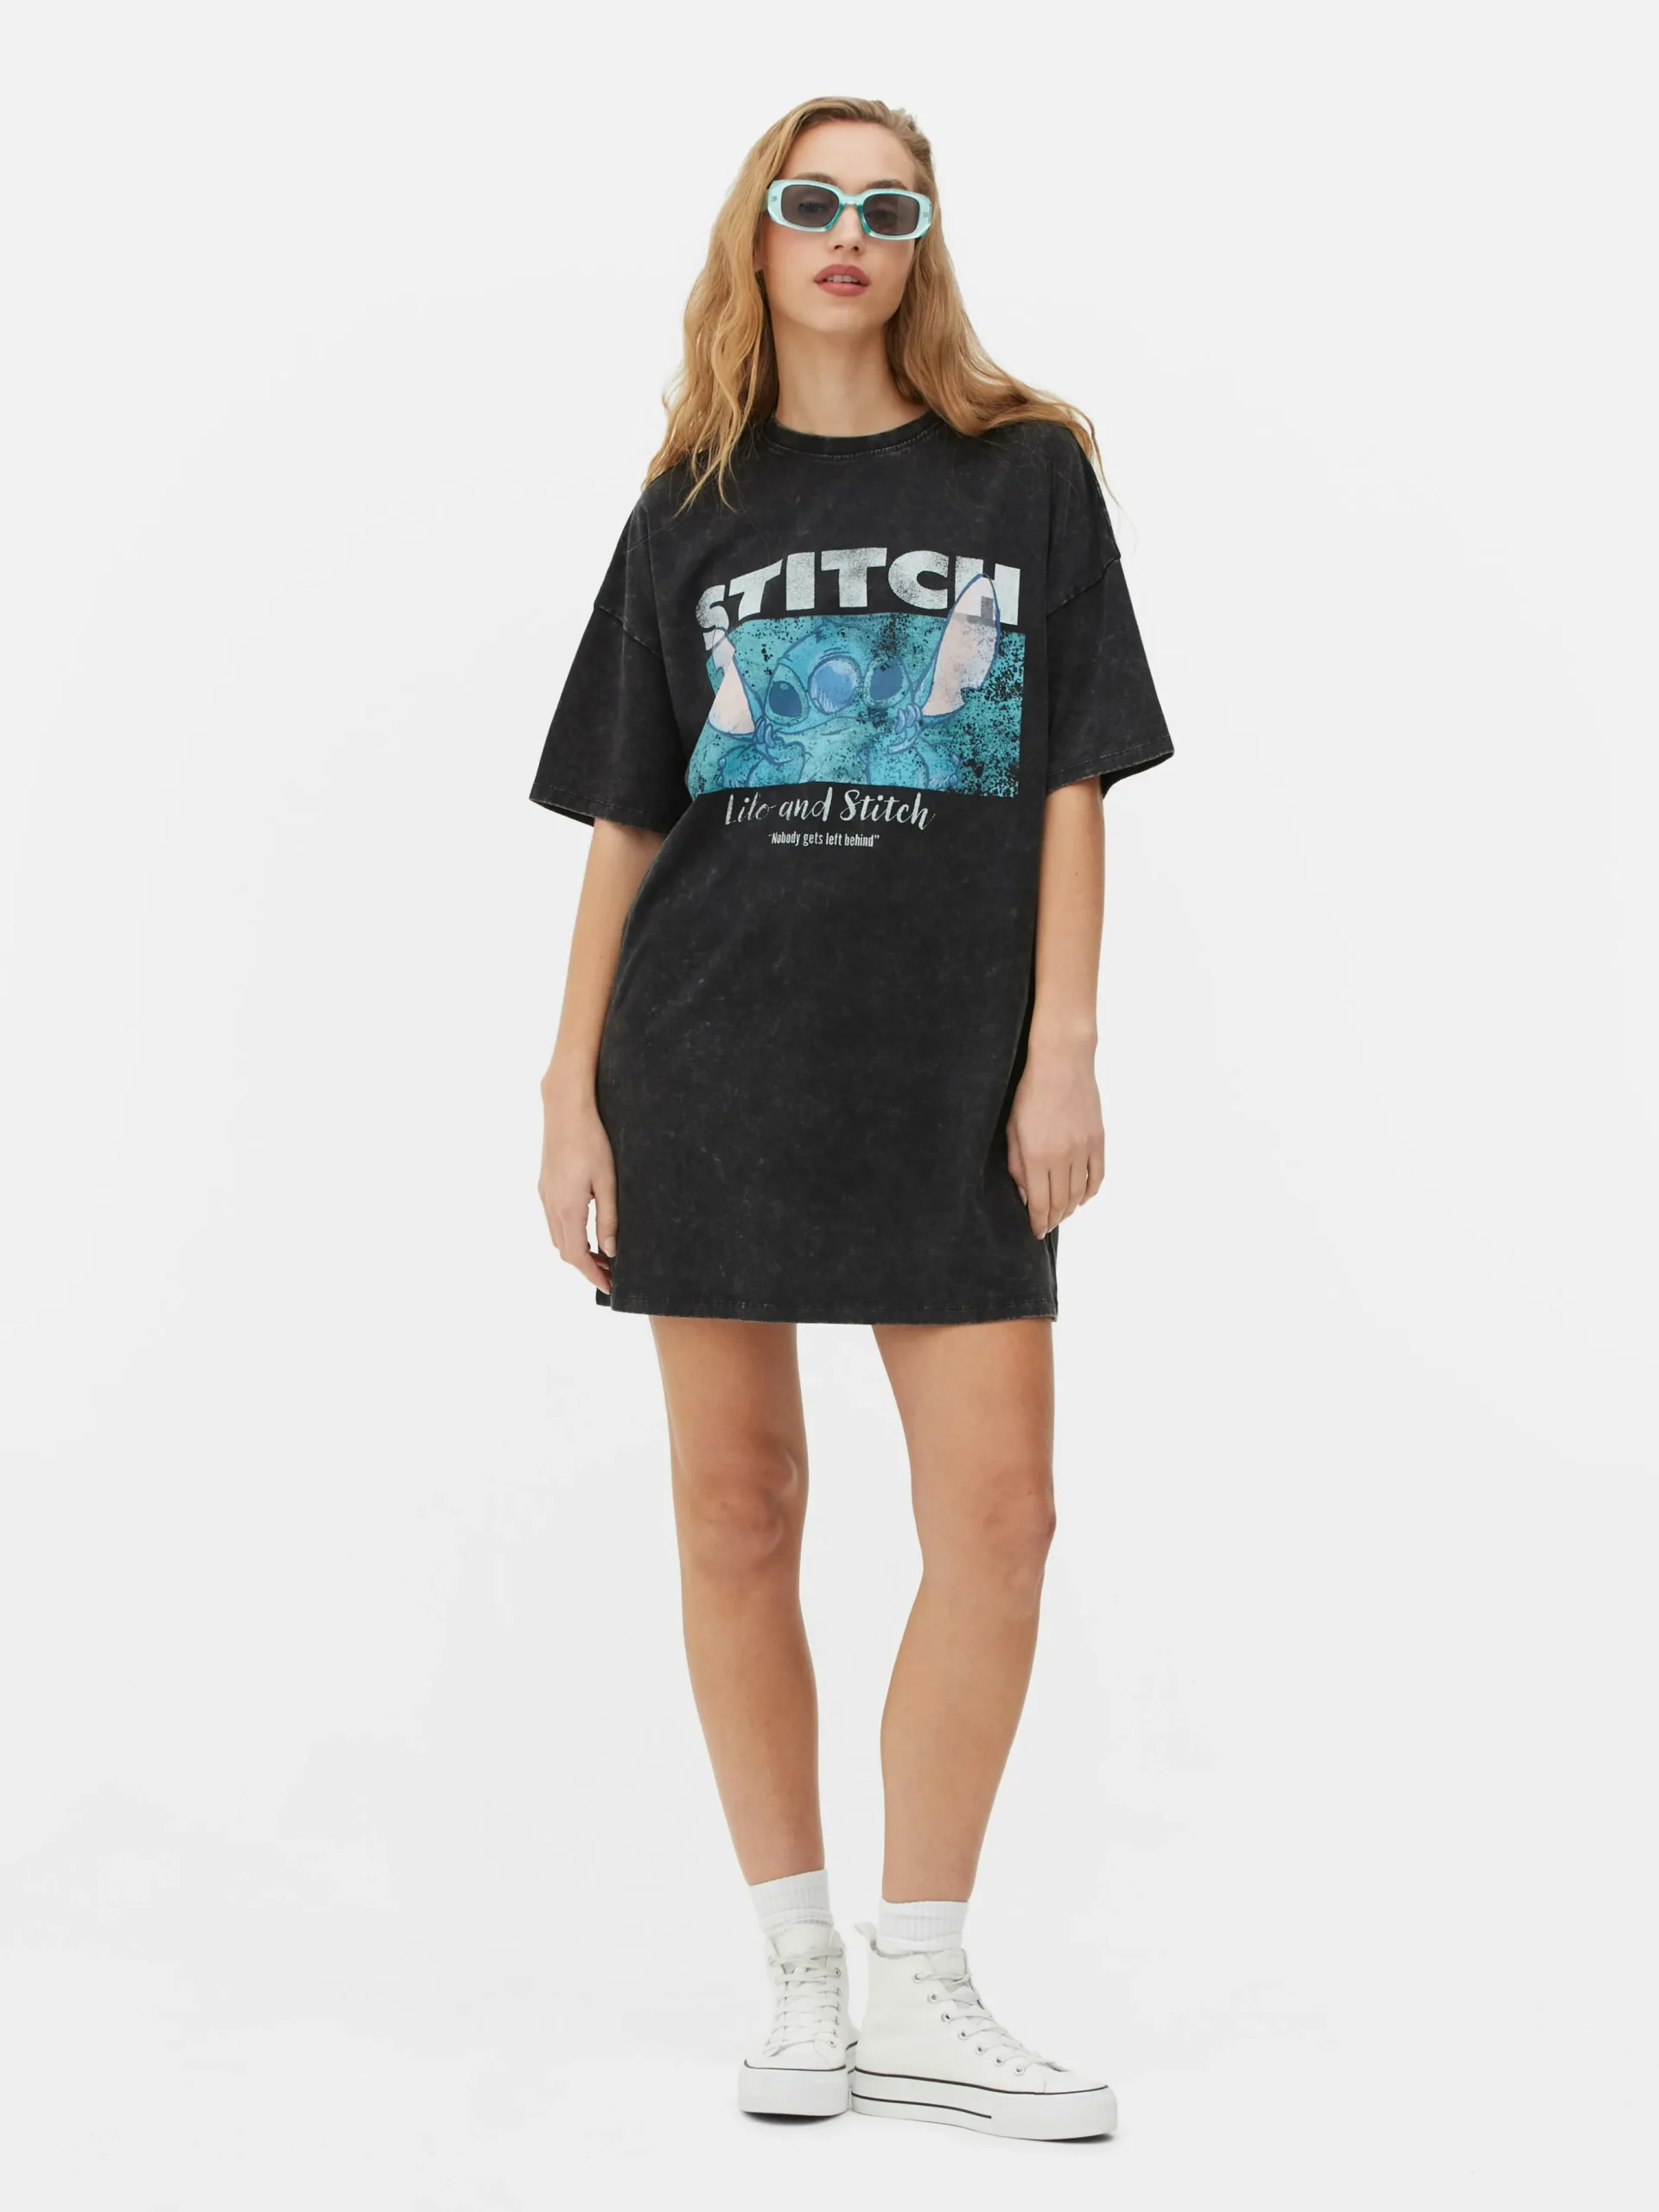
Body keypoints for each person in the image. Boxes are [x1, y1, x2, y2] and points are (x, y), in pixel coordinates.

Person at [531, 95, 1173, 2143]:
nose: (849, 232)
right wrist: (567, 1087)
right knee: (741, 1506)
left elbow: (1070, 774)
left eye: (890, 208)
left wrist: (1063, 1041)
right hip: (707, 1052)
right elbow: (630, 815)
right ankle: (801, 1965)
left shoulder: (1028, 472)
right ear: (760, 232)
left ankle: (925, 1972)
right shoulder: (690, 503)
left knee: (1001, 1516)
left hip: (950, 1069)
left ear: (921, 245)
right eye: (813, 200)